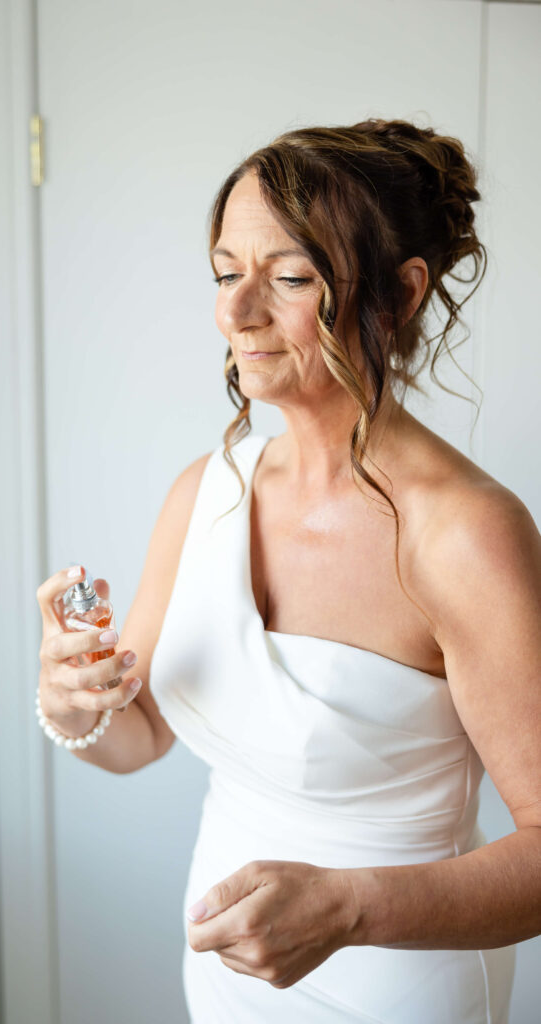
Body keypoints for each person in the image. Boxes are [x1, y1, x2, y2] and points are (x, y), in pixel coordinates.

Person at [36, 118, 541, 1022]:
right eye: (227, 273)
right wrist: (73, 706)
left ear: (399, 292)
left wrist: (350, 906)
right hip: (224, 978)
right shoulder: (206, 492)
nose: (236, 312)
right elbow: (139, 735)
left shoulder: (468, 533)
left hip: (397, 989)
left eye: (291, 277)